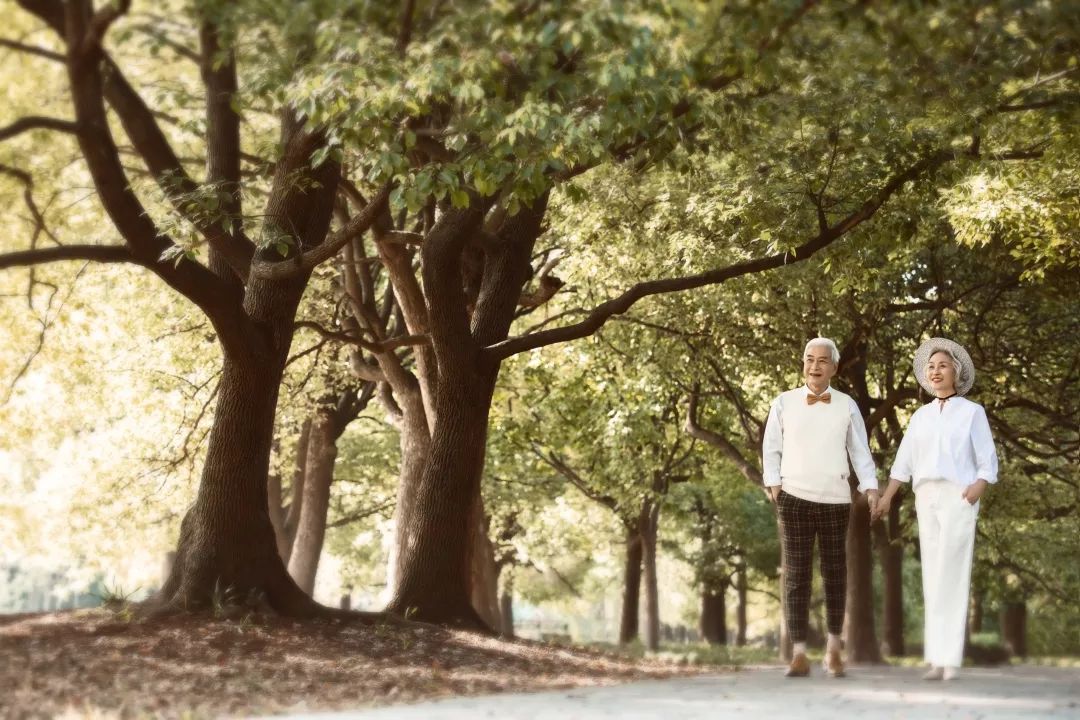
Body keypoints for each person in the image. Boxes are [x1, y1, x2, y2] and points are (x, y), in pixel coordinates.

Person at [873, 338, 998, 681]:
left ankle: (950, 661)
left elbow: (988, 459)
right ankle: (936, 659)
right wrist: (886, 497)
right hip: (925, 497)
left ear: (956, 373)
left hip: (959, 495)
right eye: (931, 367)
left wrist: (977, 488)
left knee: (952, 574)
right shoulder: (920, 417)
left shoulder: (973, 412)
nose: (936, 371)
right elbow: (903, 462)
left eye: (943, 365)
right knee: (933, 575)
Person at [762, 337, 879, 678]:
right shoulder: (783, 402)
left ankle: (833, 650)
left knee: (834, 574)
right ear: (803, 364)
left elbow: (860, 452)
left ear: (835, 367)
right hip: (794, 497)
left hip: (835, 500)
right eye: (809, 359)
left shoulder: (846, 405)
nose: (815, 366)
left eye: (822, 361)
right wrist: (775, 485)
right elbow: (771, 448)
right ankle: (798, 653)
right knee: (797, 577)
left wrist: (870, 488)